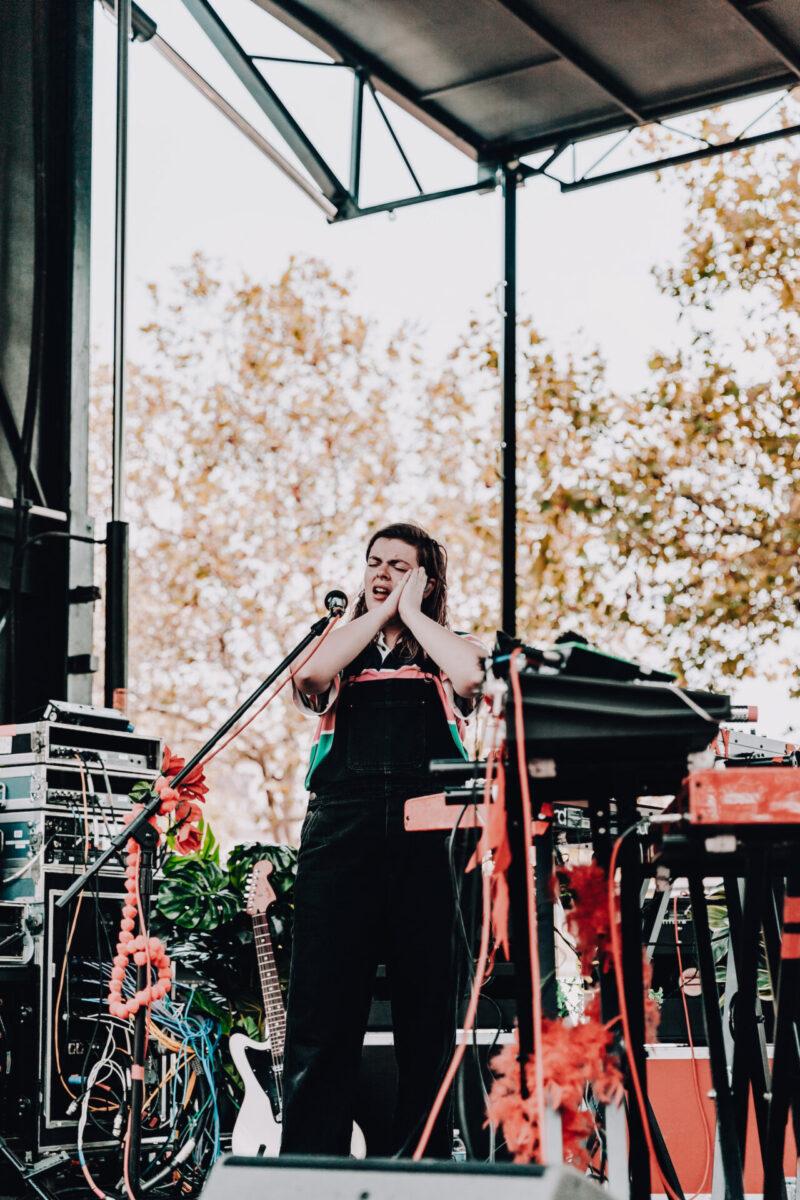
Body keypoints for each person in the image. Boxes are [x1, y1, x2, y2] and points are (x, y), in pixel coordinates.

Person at [280, 522, 486, 1159]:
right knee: (322, 1010)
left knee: (426, 1014)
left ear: (427, 580)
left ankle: (422, 1164)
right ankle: (311, 1168)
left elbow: (473, 677)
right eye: (374, 562)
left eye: (399, 566)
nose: (381, 574)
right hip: (341, 833)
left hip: (431, 838)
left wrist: (413, 615)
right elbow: (310, 676)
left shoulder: (449, 647)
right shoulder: (339, 645)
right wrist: (377, 615)